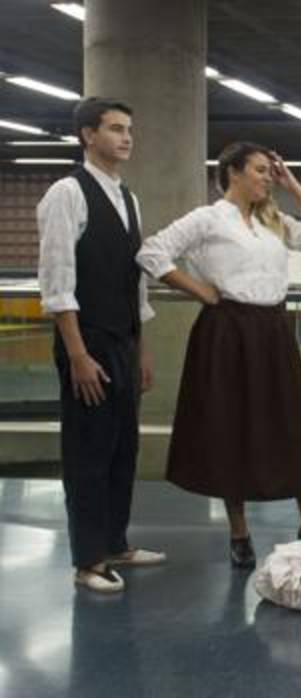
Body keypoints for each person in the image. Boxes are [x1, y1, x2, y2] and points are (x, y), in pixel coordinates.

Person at [135, 142, 301, 568]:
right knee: (232, 429)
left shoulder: (273, 221)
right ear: (234, 172)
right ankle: (239, 533)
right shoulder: (207, 219)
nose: (268, 177)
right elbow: (151, 251)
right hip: (227, 332)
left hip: (274, 331)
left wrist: (292, 184)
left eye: (270, 171)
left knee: (291, 426)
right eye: (262, 170)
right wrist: (198, 288)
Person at [36, 97, 166, 593]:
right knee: (88, 451)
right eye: (115, 128)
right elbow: (57, 281)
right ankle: (88, 560)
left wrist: (142, 346)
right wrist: (77, 355)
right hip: (85, 340)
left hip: (123, 339)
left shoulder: (128, 197)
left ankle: (115, 542)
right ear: (88, 135)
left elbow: (135, 283)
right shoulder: (66, 194)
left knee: (122, 448)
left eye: (129, 128)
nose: (126, 137)